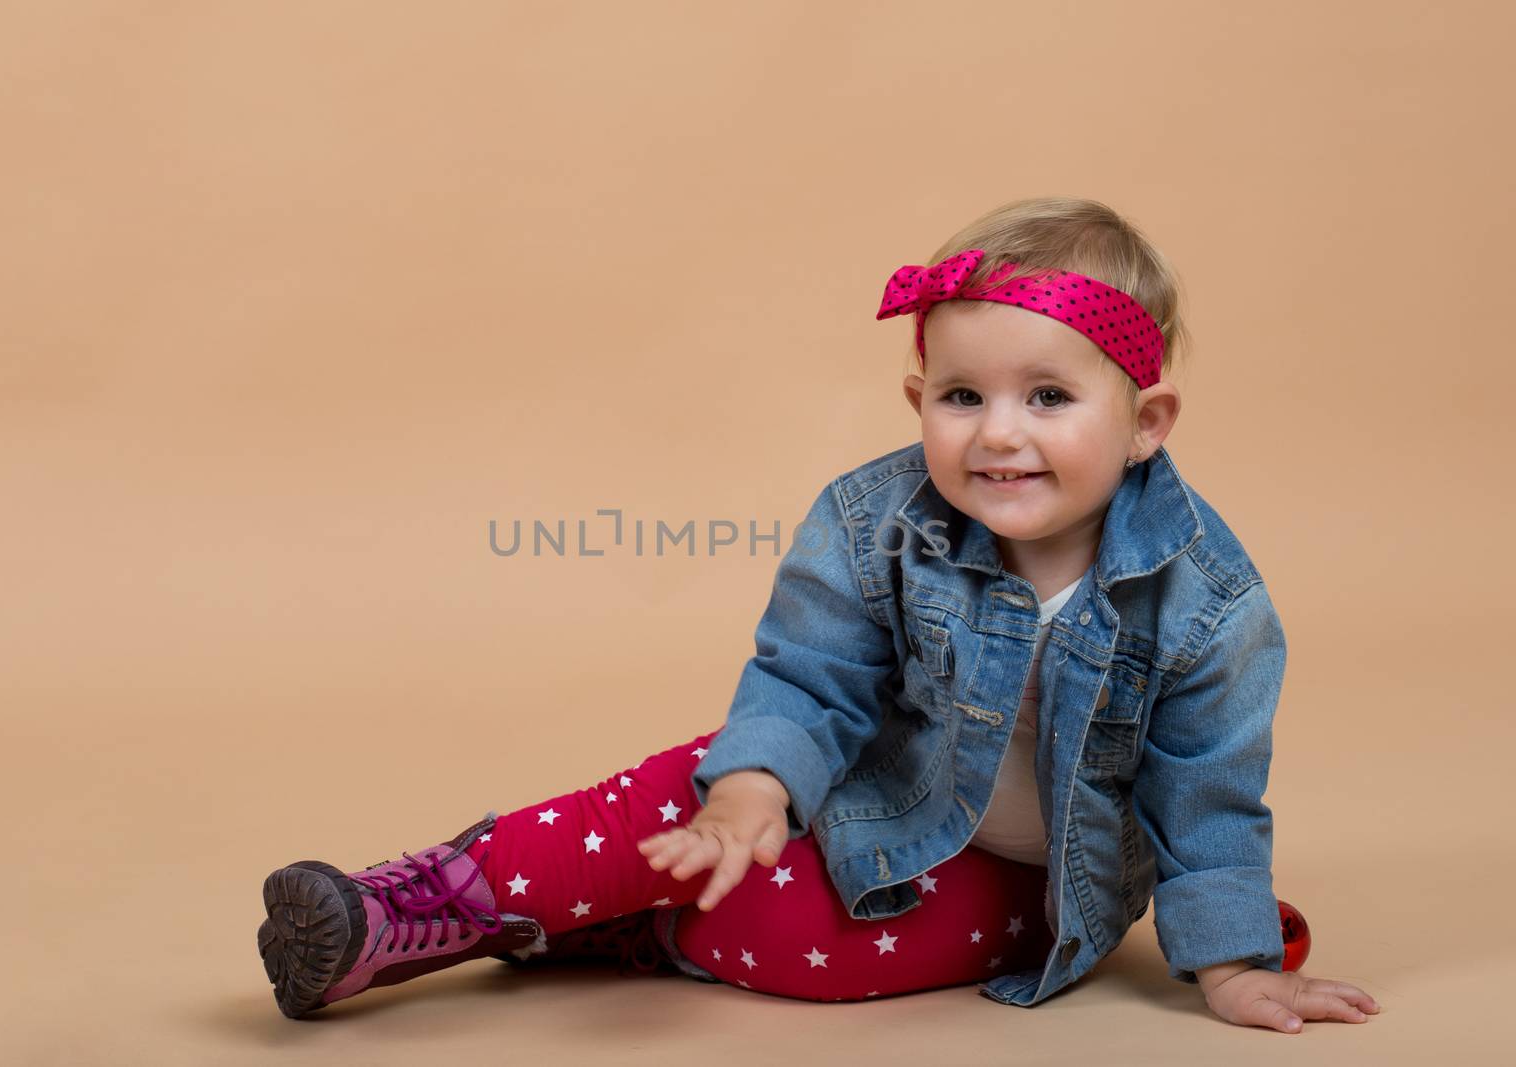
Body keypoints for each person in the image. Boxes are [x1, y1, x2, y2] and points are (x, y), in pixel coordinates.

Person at [256, 196, 1381, 1033]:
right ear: (917, 400)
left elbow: (1207, 787)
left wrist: (1232, 961)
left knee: (811, 952)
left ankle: (612, 919)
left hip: (1035, 879)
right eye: (961, 395)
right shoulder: (875, 517)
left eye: (1047, 396)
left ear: (1145, 421)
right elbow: (813, 675)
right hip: (874, 781)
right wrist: (757, 785)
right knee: (694, 795)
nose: (998, 433)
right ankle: (421, 902)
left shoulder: (1207, 599)